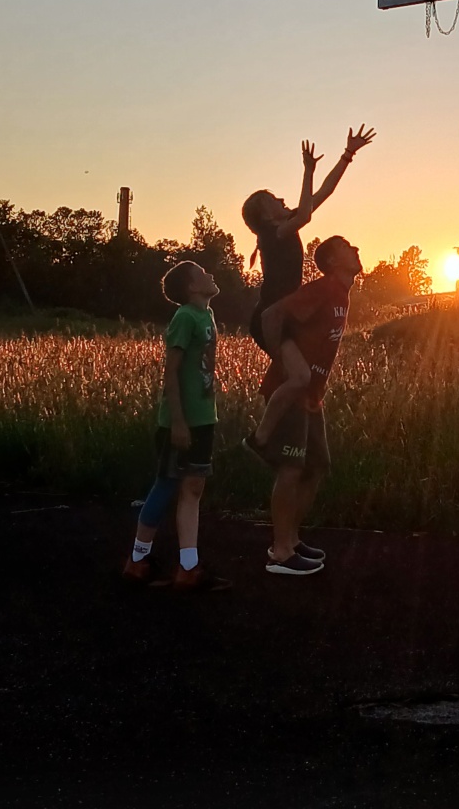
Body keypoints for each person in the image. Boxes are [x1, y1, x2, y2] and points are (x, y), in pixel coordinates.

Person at [241, 125, 374, 453]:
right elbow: (305, 215)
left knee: (301, 379)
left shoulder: (284, 225)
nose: (281, 199)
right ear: (265, 215)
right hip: (270, 319)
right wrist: (307, 170)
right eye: (274, 199)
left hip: (287, 319)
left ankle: (287, 440)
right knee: (299, 378)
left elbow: (323, 193)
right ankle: (259, 439)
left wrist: (347, 155)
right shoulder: (272, 234)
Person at [246, 235, 362, 576]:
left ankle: (292, 539)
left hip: (311, 396)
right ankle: (280, 552)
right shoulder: (323, 289)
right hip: (291, 392)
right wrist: (284, 360)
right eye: (347, 248)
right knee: (292, 468)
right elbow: (270, 315)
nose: (356, 250)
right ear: (332, 262)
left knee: (315, 467)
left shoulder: (341, 293)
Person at [122, 261, 231, 592]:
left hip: (204, 418)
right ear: (191, 287)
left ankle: (188, 567)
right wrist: (178, 422)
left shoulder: (206, 315)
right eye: (202, 273)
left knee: (193, 489)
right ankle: (138, 561)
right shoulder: (184, 317)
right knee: (167, 485)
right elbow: (171, 372)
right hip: (181, 421)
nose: (211, 274)